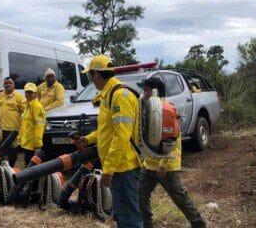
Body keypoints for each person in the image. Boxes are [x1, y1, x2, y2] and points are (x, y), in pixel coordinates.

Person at [74, 54, 143, 228]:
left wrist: (109, 170)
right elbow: (107, 131)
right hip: (117, 167)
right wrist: (87, 139)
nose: (91, 78)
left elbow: (121, 136)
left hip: (124, 167)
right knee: (121, 214)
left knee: (130, 217)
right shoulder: (108, 95)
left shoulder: (120, 96)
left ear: (96, 74)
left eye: (91, 74)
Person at [137, 77, 206, 228]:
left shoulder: (165, 109)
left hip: (166, 164)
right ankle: (147, 224)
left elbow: (170, 140)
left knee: (179, 196)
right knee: (141, 194)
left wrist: (163, 162)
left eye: (146, 90)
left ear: (155, 91)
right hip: (149, 163)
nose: (144, 93)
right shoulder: (149, 108)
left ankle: (198, 223)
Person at [0, 77, 25, 167]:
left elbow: (26, 111)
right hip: (0, 129)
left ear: (13, 85)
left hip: (13, 131)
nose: (8, 84)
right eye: (6, 83)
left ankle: (10, 169)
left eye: (10, 83)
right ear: (3, 85)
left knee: (12, 153)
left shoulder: (19, 97)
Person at [17, 82, 46, 166]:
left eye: (31, 92)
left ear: (35, 94)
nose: (28, 94)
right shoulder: (28, 105)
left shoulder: (37, 106)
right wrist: (19, 138)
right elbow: (24, 125)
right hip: (27, 142)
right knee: (28, 165)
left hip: (33, 143)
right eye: (27, 92)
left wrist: (38, 143)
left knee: (32, 166)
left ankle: (34, 179)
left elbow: (39, 126)